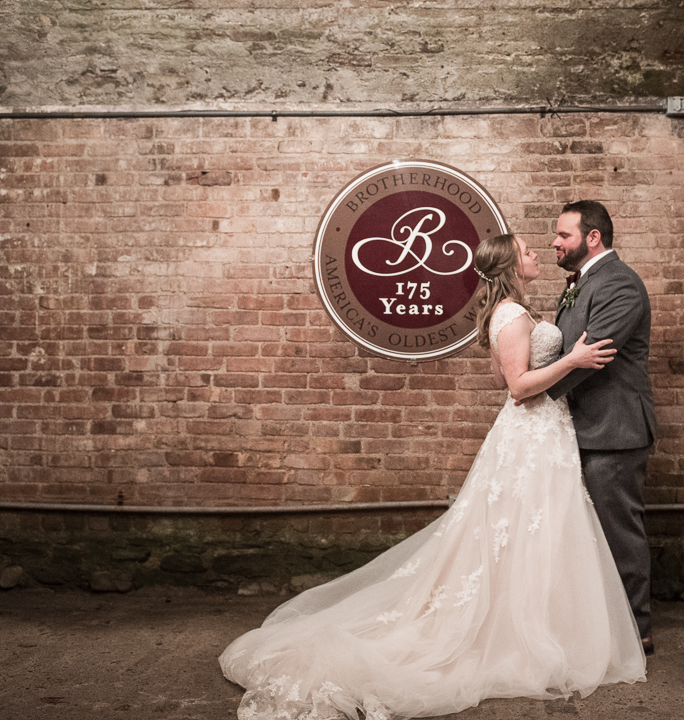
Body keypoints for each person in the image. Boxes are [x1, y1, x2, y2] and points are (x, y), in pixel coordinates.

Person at [219, 233, 646, 720]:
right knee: (525, 529)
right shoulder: (511, 313)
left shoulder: (508, 312)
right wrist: (571, 360)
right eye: (527, 252)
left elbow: (500, 373)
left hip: (542, 435)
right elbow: (516, 387)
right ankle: (518, 633)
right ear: (510, 264)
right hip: (532, 432)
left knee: (535, 531)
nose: (535, 255)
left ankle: (539, 623)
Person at [545, 200, 657, 656]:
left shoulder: (619, 285)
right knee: (588, 533)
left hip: (614, 429)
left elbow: (595, 355)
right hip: (584, 426)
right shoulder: (581, 284)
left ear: (593, 237)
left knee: (618, 531)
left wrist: (533, 392)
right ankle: (599, 624)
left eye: (563, 235)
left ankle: (636, 630)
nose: (554, 242)